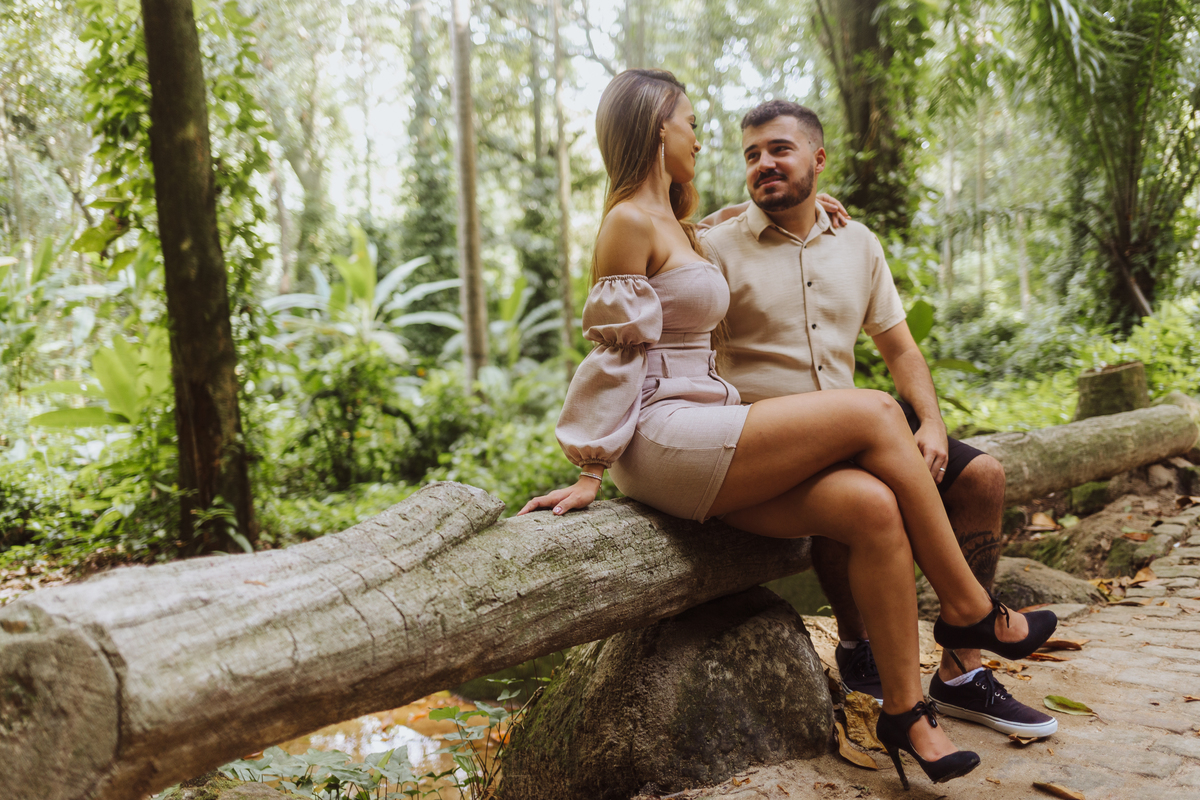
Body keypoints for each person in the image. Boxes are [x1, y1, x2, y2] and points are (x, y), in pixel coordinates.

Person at [518, 69, 1057, 790]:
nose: (701, 140)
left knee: (868, 508)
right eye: (691, 125)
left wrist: (811, 213)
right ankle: (972, 609)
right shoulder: (627, 221)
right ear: (656, 131)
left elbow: (711, 249)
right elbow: (616, 354)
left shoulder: (683, 226)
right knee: (871, 410)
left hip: (715, 430)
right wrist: (590, 469)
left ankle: (907, 712)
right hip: (663, 433)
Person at [695, 100, 1057, 738]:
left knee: (983, 478)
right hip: (771, 442)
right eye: (751, 154)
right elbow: (654, 258)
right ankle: (860, 644)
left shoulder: (858, 242)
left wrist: (932, 422)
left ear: (818, 158)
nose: (763, 164)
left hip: (861, 427)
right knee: (864, 494)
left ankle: (963, 672)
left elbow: (898, 347)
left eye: (779, 149)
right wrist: (716, 219)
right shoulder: (715, 247)